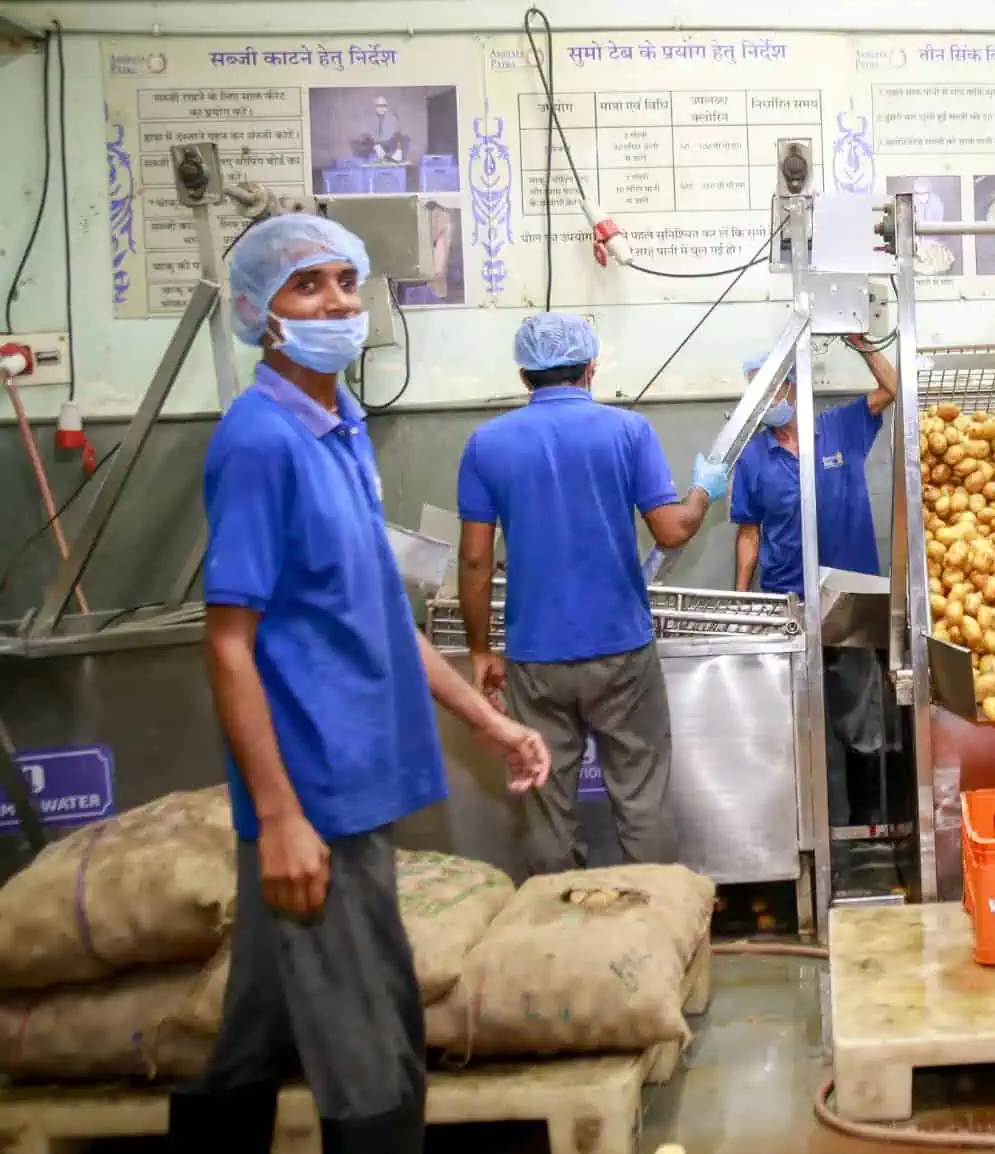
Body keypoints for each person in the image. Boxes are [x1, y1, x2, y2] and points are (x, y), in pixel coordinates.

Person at [173, 215, 551, 1154]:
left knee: (255, 1031)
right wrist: (283, 818)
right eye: (309, 286)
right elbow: (229, 646)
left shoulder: (340, 428)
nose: (339, 302)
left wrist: (489, 723)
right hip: (319, 802)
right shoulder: (261, 442)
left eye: (347, 280)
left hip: (358, 785)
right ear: (263, 314)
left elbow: (384, 620)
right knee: (373, 1049)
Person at [456, 313, 731, 875]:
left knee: (546, 803)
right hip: (621, 651)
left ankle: (557, 934)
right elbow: (673, 529)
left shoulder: (486, 444)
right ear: (590, 367)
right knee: (640, 794)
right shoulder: (628, 432)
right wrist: (705, 489)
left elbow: (475, 558)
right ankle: (654, 923)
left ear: (524, 374)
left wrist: (481, 650)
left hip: (535, 657)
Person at [731, 335, 898, 826]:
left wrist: (863, 344)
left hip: (850, 598)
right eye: (755, 394)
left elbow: (893, 387)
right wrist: (743, 605)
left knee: (861, 719)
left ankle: (864, 826)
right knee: (789, 724)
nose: (765, 403)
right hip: (787, 603)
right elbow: (748, 533)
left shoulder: (839, 427)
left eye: (771, 391)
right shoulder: (753, 455)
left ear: (793, 387)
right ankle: (799, 833)